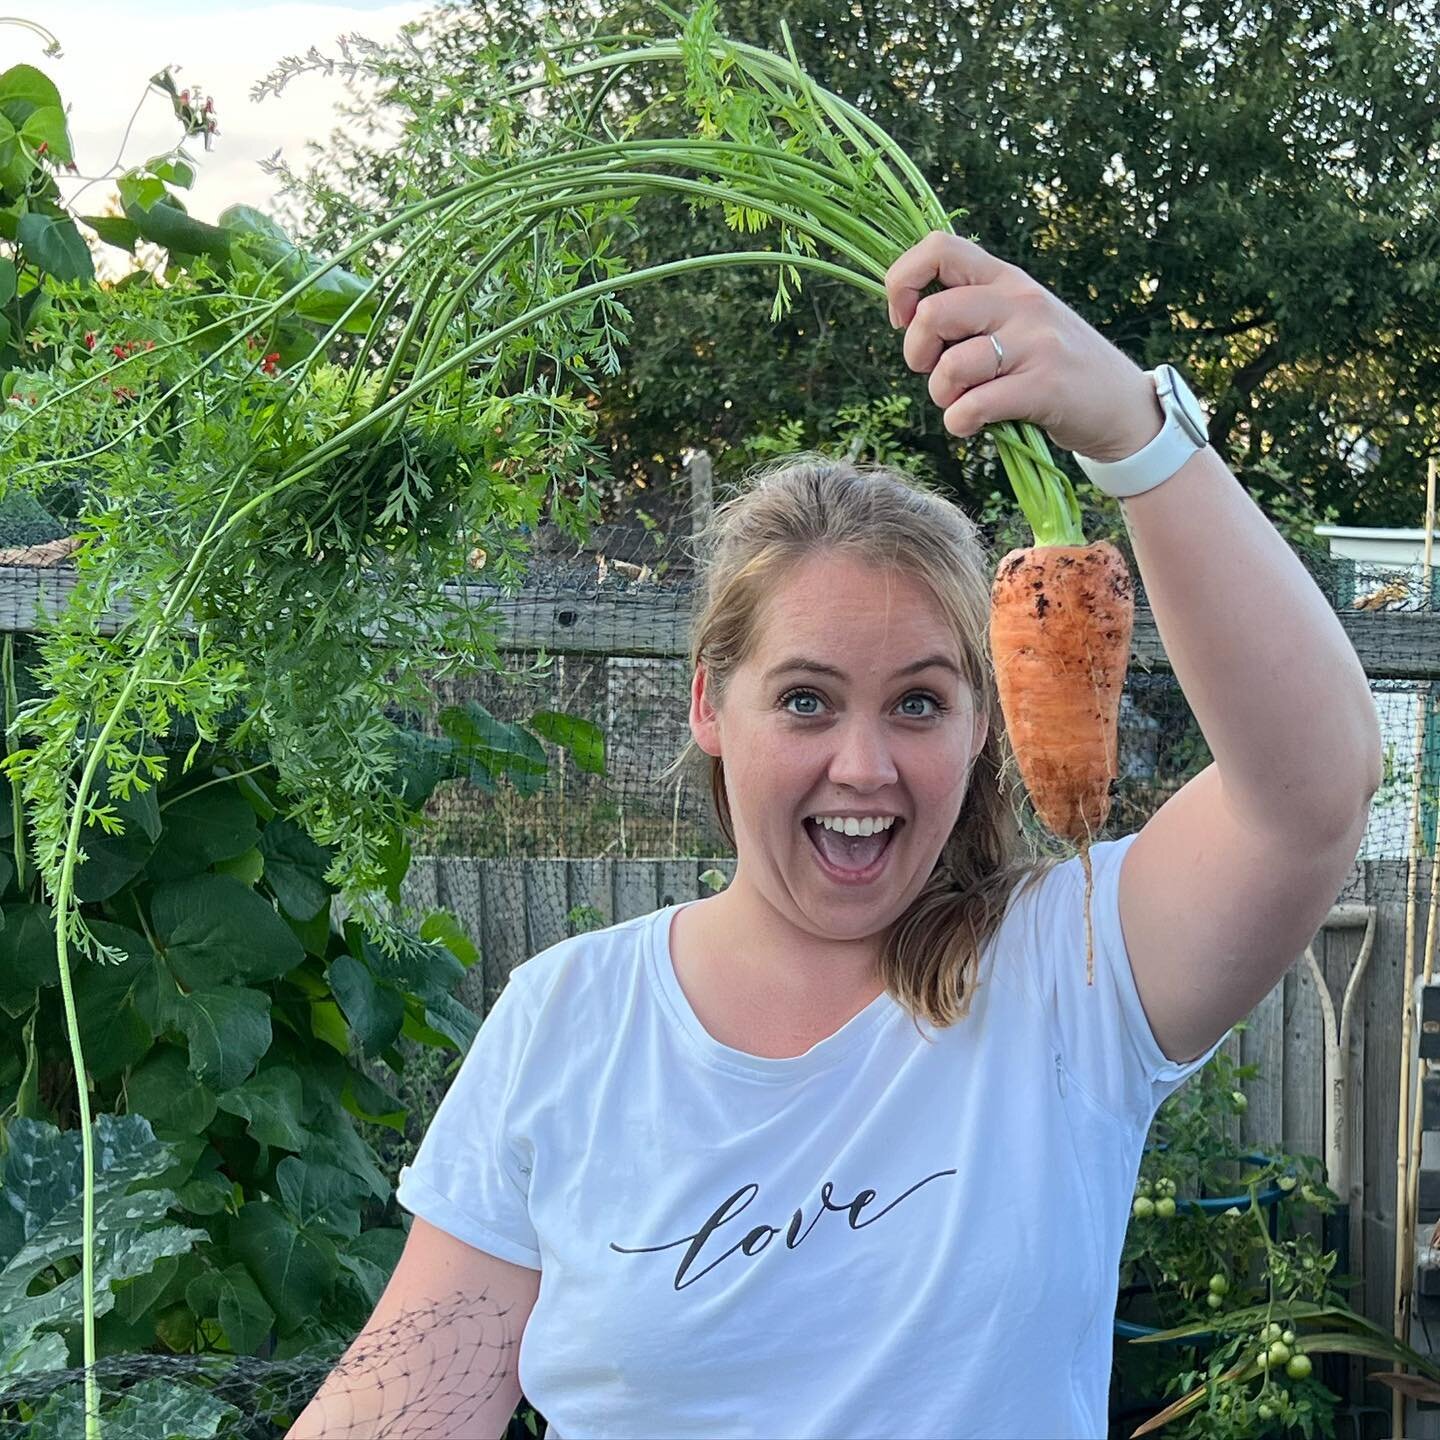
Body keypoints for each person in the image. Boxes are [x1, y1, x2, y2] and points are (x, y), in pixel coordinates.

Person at [286, 233, 1381, 1438]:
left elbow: (1311, 788)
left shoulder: (1070, 971)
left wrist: (1137, 429)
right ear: (710, 704)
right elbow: (403, 1409)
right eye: (805, 699)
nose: (862, 766)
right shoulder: (567, 1021)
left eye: (919, 701)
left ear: (981, 727)